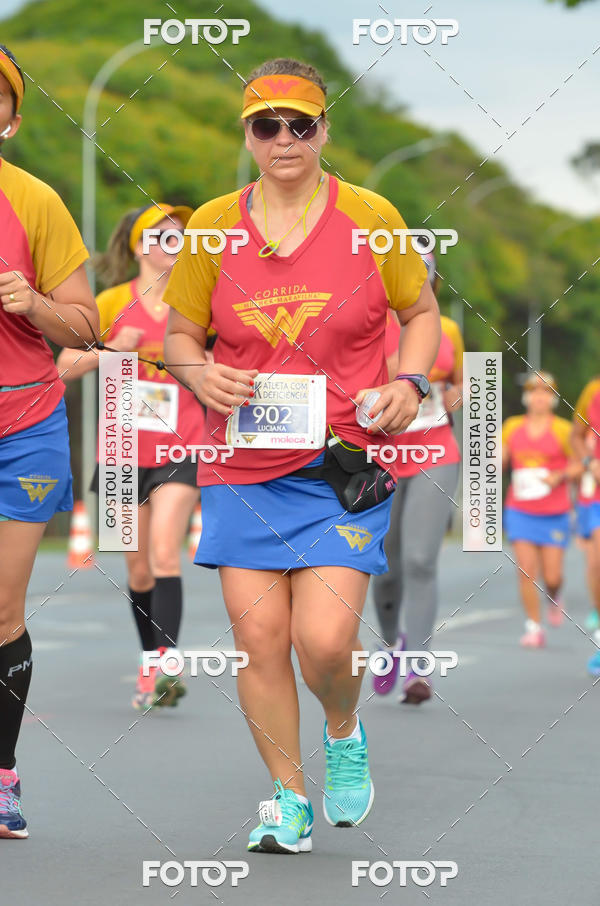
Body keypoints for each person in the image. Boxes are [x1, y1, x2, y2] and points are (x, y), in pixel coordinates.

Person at [162, 58, 441, 853]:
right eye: (266, 124)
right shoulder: (215, 225)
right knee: (260, 644)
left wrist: (411, 383)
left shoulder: (371, 215)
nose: (283, 138)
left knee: (324, 642)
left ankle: (344, 729)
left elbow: (418, 311)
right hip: (240, 469)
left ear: (324, 129)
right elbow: (181, 333)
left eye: (300, 123)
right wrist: (197, 369)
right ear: (246, 135)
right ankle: (287, 801)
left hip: (339, 470)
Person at [0, 44, 98, 838]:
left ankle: (1, 775)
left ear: (12, 118)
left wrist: (33, 302)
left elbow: (85, 324)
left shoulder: (35, 202)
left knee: (0, 609)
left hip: (22, 425)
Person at [57, 203, 203, 709]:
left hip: (181, 445)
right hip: (122, 449)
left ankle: (168, 668)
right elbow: (65, 364)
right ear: (141, 247)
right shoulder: (113, 300)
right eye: (164, 237)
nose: (175, 245)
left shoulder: (199, 301)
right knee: (139, 570)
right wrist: (111, 351)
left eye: (182, 237)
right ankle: (149, 668)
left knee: (167, 552)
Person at [370, 250, 462, 704]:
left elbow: (465, 381)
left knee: (422, 560)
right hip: (379, 455)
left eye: (425, 266)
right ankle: (391, 645)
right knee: (386, 567)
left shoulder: (446, 330)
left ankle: (419, 667)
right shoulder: (369, 322)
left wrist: (455, 395)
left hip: (435, 450)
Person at [502, 372, 579, 648]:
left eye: (545, 392)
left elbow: (578, 464)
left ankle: (554, 596)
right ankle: (533, 627)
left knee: (553, 576)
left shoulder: (563, 429)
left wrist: (558, 477)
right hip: (520, 509)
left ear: (553, 399)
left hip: (555, 512)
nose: (539, 397)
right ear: (526, 397)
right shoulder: (511, 426)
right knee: (525, 571)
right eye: (535, 391)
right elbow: (499, 458)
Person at [571, 379, 600, 673]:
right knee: (597, 563)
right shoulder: (593, 390)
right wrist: (590, 461)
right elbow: (576, 436)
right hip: (596, 496)